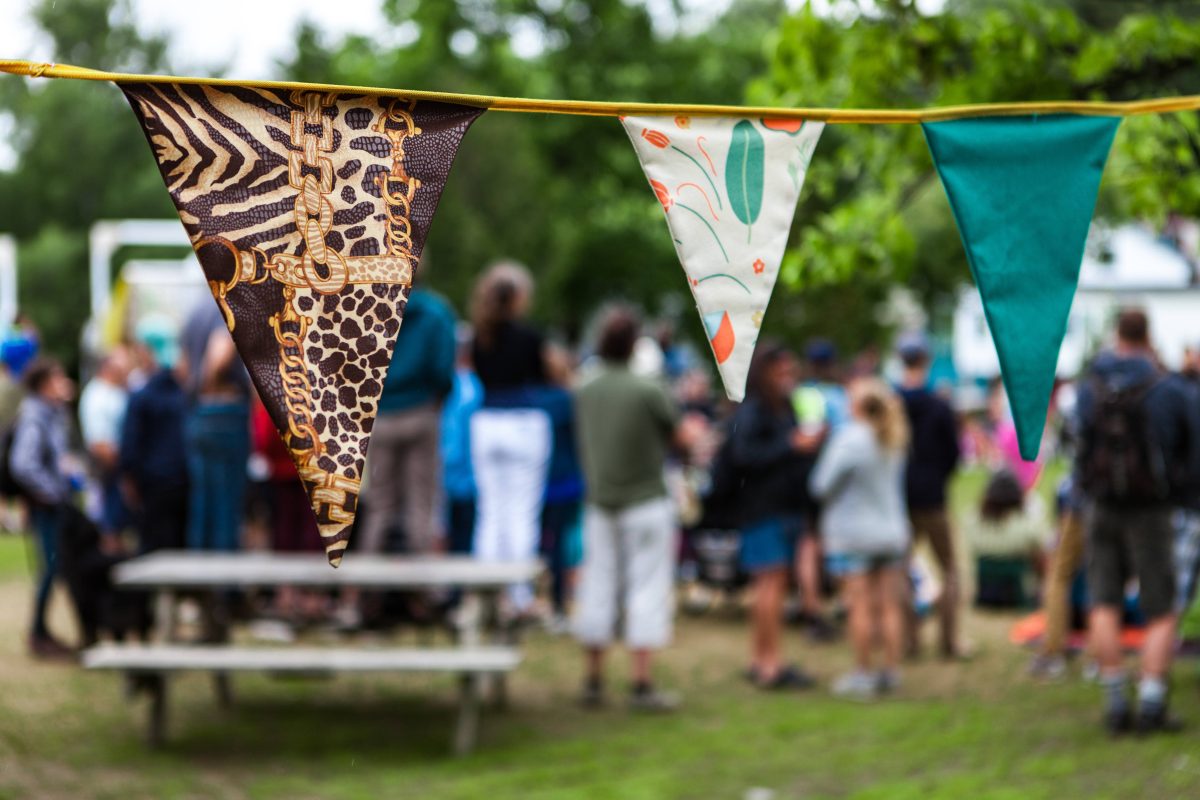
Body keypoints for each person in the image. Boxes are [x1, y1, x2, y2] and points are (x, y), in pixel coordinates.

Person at [1075, 309, 1199, 734]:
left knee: (1103, 600)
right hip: (1153, 508)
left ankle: (1114, 701)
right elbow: (1191, 448)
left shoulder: (1090, 386)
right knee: (1161, 607)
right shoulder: (1166, 387)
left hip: (1102, 504)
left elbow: (1078, 445)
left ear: (1116, 335)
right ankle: (1150, 702)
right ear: (1148, 336)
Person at [573, 306, 698, 711]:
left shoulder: (585, 388)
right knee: (647, 588)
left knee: (599, 584)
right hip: (645, 501)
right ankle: (641, 683)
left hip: (600, 501)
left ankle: (593, 678)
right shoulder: (648, 389)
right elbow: (680, 438)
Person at [728, 342, 821, 690]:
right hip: (762, 510)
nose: (787, 376)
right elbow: (745, 456)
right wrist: (792, 446)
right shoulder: (754, 411)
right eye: (780, 370)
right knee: (770, 585)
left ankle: (763, 657)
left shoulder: (782, 408)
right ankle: (769, 664)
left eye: (790, 370)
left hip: (783, 508)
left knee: (770, 585)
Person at [810, 377, 911, 700]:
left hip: (855, 535)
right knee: (889, 605)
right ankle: (891, 670)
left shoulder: (849, 439)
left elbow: (821, 485)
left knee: (860, 606)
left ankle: (863, 673)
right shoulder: (894, 436)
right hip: (892, 532)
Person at [469, 262, 553, 615]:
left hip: (487, 423)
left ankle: (486, 591)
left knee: (490, 511)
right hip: (523, 423)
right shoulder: (530, 337)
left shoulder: (479, 336)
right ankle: (519, 596)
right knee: (521, 513)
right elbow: (546, 377)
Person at [360, 285, 457, 556]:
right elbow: (443, 368)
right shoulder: (435, 312)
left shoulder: (368, 307)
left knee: (380, 502)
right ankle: (423, 589)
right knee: (421, 501)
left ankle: (366, 588)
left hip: (382, 414)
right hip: (421, 411)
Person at [895, 331, 965, 660]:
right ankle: (949, 642)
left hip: (899, 497)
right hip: (933, 496)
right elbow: (954, 454)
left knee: (902, 568)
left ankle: (909, 641)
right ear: (926, 360)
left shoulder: (891, 403)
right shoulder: (939, 405)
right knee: (949, 567)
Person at [10, 358, 77, 657]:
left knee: (54, 567)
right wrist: (50, 490)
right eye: (57, 377)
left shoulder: (53, 412)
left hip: (54, 502)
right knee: (49, 568)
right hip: (46, 505)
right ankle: (38, 634)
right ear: (43, 384)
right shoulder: (35, 416)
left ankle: (42, 632)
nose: (62, 381)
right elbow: (23, 463)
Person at [178, 300, 250, 552]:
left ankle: (199, 583)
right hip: (224, 412)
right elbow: (219, 355)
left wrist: (195, 393)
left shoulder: (194, 312)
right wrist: (208, 384)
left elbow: (182, 368)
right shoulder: (228, 307)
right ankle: (225, 585)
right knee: (226, 502)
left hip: (199, 414)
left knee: (202, 501)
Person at [119, 317, 189, 554]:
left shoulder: (142, 397)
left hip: (152, 483)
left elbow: (130, 444)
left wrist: (128, 478)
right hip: (183, 480)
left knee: (153, 548)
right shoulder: (184, 394)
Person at [967, 469, 1051, 608]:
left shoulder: (974, 521)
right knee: (1040, 557)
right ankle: (1043, 592)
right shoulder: (1026, 525)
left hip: (986, 592)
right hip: (1017, 591)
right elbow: (1041, 545)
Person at [79, 347, 132, 542]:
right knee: (109, 526)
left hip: (115, 468)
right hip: (108, 470)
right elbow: (98, 442)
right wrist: (122, 468)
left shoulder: (115, 391)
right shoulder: (97, 395)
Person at [442, 326, 483, 556]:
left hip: (452, 473)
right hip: (466, 476)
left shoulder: (450, 384)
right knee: (464, 536)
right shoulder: (474, 386)